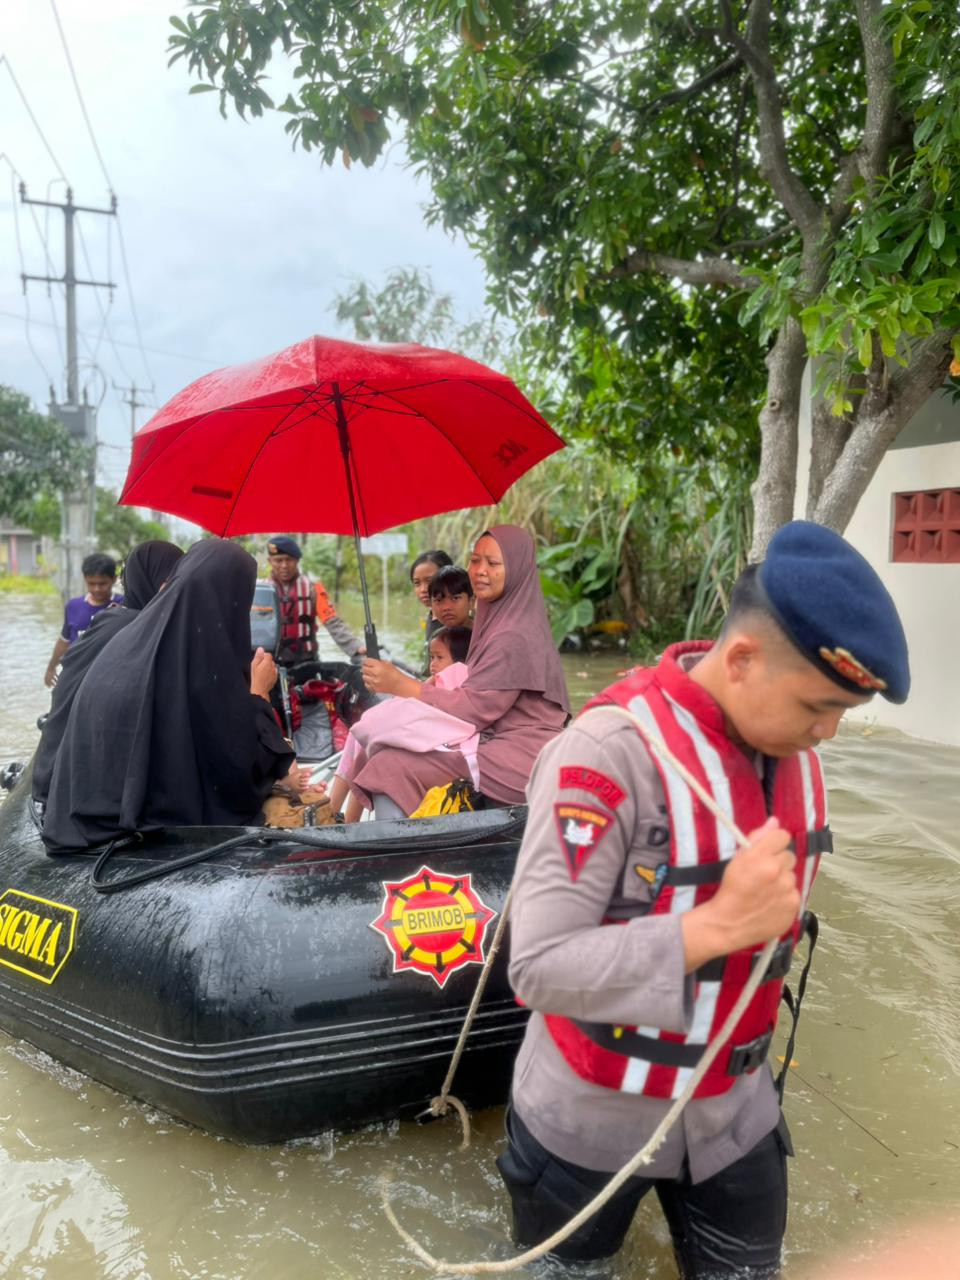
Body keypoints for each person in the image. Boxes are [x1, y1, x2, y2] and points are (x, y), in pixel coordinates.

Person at [496, 521, 911, 1278]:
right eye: (818, 706)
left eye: (844, 713)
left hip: (734, 1113)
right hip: (590, 1111)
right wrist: (712, 928)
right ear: (744, 658)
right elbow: (538, 966)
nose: (830, 732)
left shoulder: (797, 754)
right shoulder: (606, 753)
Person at [41, 539, 300, 853]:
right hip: (141, 835)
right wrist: (259, 694)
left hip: (82, 824)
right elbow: (235, 776)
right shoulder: (194, 666)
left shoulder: (130, 642)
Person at [356, 525, 570, 820]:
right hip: (495, 742)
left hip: (518, 757)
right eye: (475, 560)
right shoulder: (503, 618)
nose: (480, 570)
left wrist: (401, 685)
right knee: (387, 755)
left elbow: (475, 708)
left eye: (493, 563)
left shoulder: (512, 634)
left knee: (388, 766)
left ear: (518, 570)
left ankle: (398, 859)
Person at [33, 540, 185, 807]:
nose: (173, 590)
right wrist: (50, 667)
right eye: (166, 581)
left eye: (178, 581)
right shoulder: (127, 626)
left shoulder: (156, 626)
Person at [327, 624, 474, 823]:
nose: (433, 664)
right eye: (431, 658)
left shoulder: (458, 675)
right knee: (364, 738)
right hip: (439, 741)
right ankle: (341, 816)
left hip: (453, 749)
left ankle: (341, 816)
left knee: (374, 748)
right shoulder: (437, 680)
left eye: (439, 658)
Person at [265, 535, 364, 664]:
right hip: (271, 662)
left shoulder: (313, 588)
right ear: (270, 561)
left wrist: (356, 647)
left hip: (306, 660)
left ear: (297, 561)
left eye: (289, 560)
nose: (284, 565)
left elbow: (332, 621)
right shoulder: (260, 590)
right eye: (278, 560)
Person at [44, 553, 122, 687]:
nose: (96, 589)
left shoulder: (124, 605)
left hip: (109, 677)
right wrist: (51, 668)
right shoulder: (73, 606)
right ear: (85, 579)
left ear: (114, 579)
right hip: (76, 675)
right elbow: (64, 640)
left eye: (102, 584)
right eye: (91, 583)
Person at [410, 549, 453, 664]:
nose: (423, 589)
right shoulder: (432, 614)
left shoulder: (453, 621)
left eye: (429, 581)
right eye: (417, 583)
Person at [427, 565, 474, 630]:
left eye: (455, 598)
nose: (446, 607)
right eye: (438, 600)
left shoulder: (486, 635)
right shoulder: (437, 638)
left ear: (471, 601)